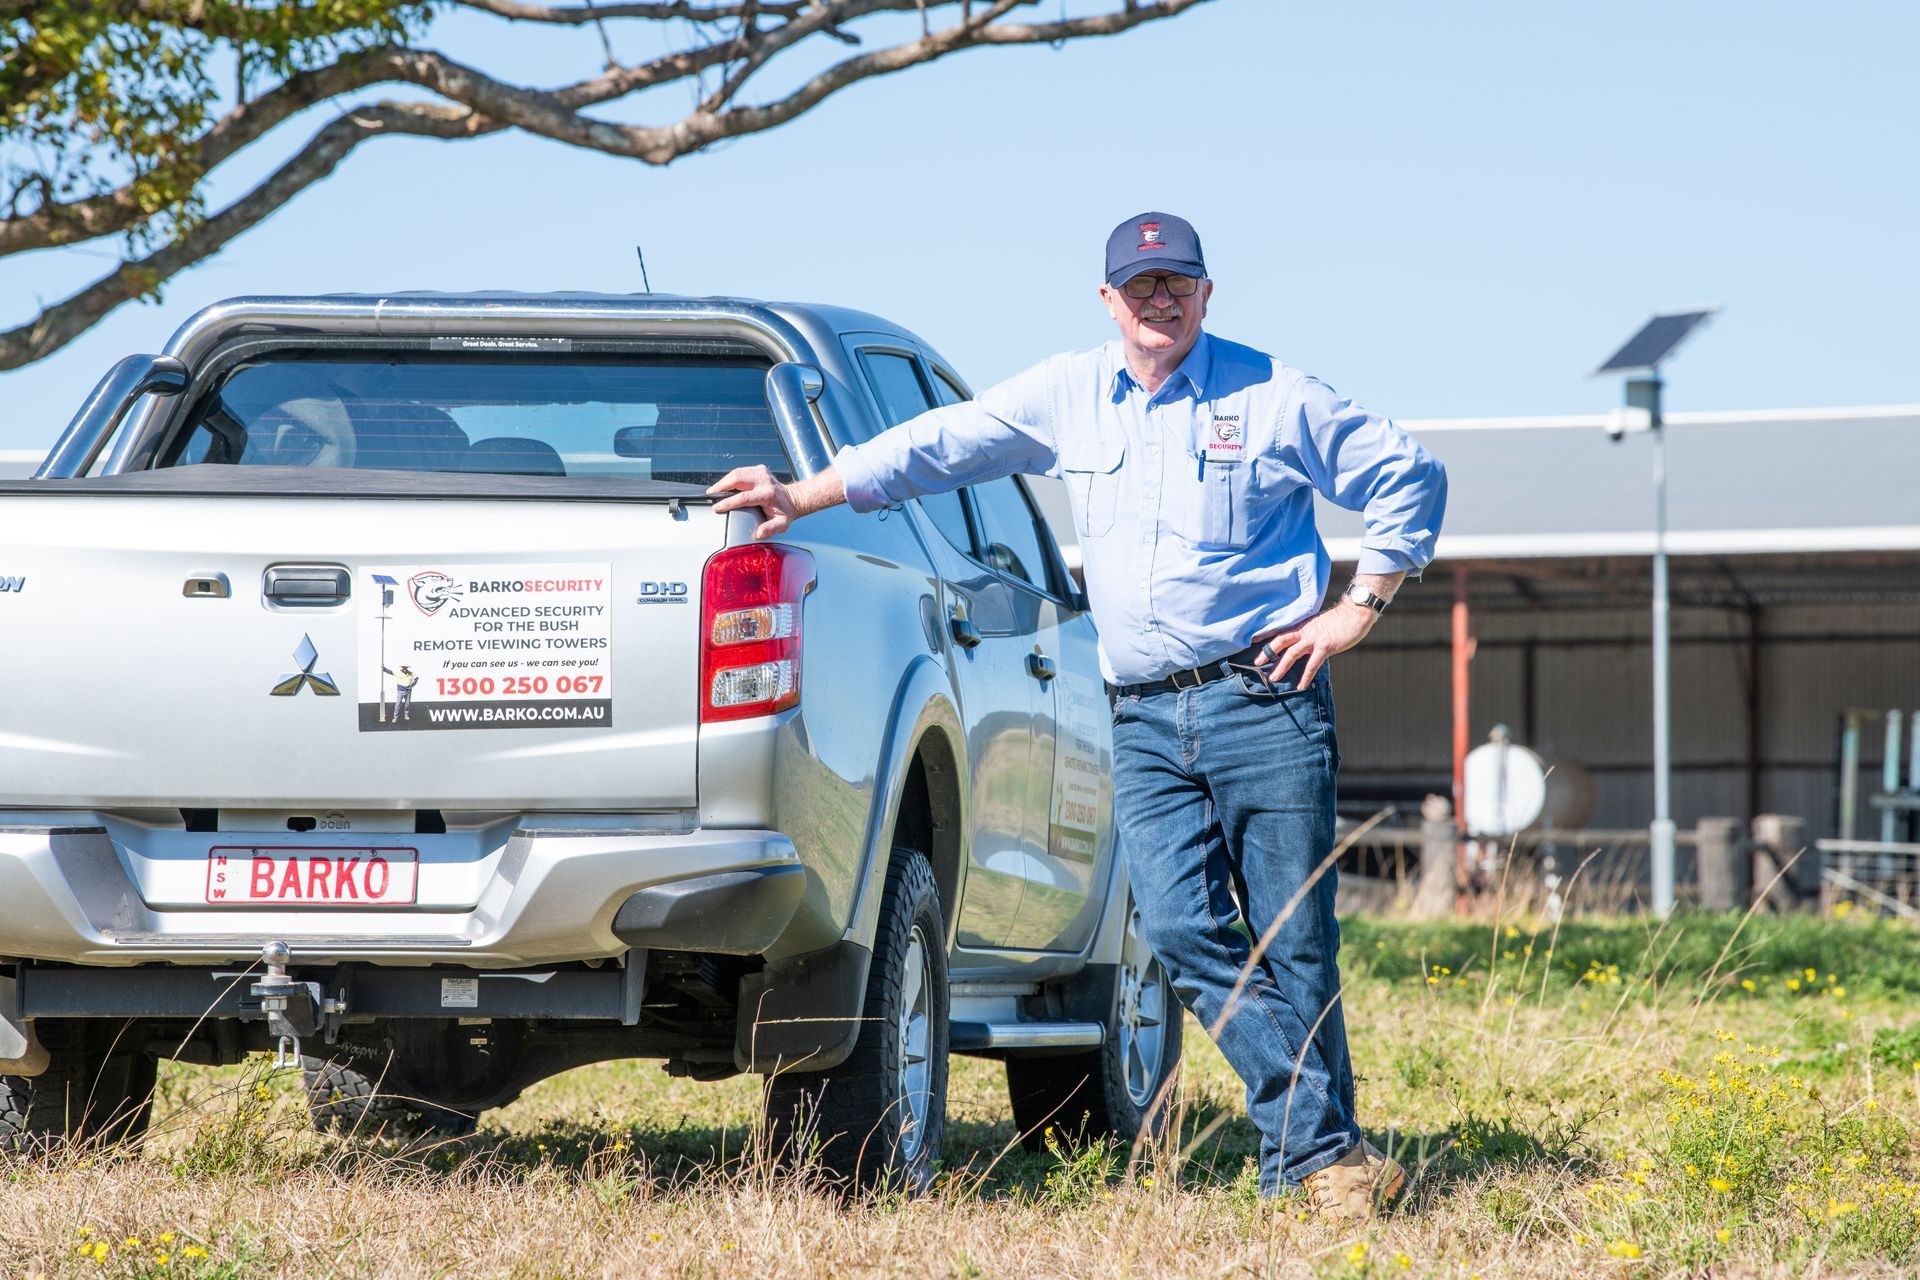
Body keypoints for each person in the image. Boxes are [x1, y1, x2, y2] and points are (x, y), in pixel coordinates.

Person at [709, 212, 1446, 1219]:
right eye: (1141, 285)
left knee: (1295, 943)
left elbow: (1407, 474)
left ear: (1207, 291)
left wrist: (1359, 607)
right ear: (1109, 300)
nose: (1160, 299)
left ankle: (1313, 1168)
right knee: (1179, 929)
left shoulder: (1273, 395)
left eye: (1177, 281)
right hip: (1142, 716)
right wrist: (803, 493)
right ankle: (1332, 1147)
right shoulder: (1069, 394)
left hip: (1264, 699)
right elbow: (938, 444)